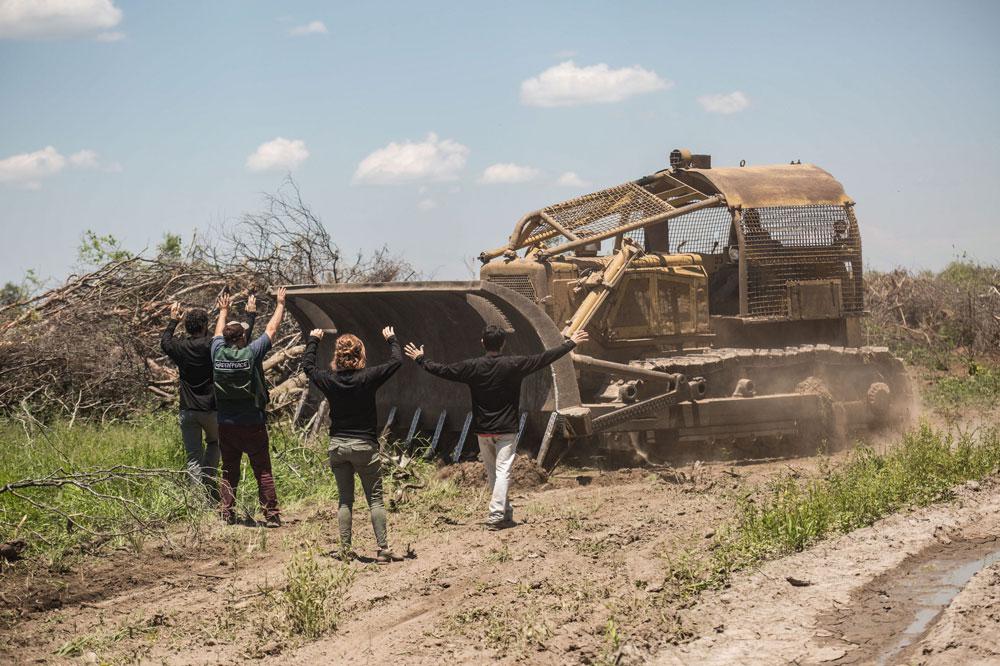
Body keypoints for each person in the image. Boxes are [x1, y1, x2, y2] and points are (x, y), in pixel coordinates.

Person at [404, 325, 589, 530]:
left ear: (483, 342)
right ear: (503, 344)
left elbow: (443, 370)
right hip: (506, 430)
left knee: (494, 473)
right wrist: (570, 344)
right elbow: (544, 358)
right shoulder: (514, 364)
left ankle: (505, 511)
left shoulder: (472, 366)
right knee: (503, 472)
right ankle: (496, 515)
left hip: (483, 431)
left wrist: (420, 359)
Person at [301, 326, 404, 563]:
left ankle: (346, 550)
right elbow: (396, 361)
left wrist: (313, 340)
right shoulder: (368, 377)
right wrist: (391, 339)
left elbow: (308, 366)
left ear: (337, 356)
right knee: (375, 500)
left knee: (345, 500)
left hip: (338, 446)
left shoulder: (329, 380)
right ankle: (383, 549)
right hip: (364, 446)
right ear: (361, 354)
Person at [160, 297, 255, 500]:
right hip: (211, 409)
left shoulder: (180, 347)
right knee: (214, 443)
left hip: (188, 410)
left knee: (193, 456)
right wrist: (237, 314)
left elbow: (165, 342)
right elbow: (233, 338)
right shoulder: (212, 346)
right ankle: (208, 484)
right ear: (204, 326)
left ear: (187, 327)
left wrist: (173, 320)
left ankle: (197, 500)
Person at [211, 288, 286, 527]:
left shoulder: (216, 353)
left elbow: (217, 333)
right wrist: (280, 304)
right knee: (262, 470)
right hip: (253, 422)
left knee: (229, 470)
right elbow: (271, 330)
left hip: (226, 423)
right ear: (242, 337)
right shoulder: (252, 353)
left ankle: (226, 513)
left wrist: (223, 310)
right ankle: (271, 515)